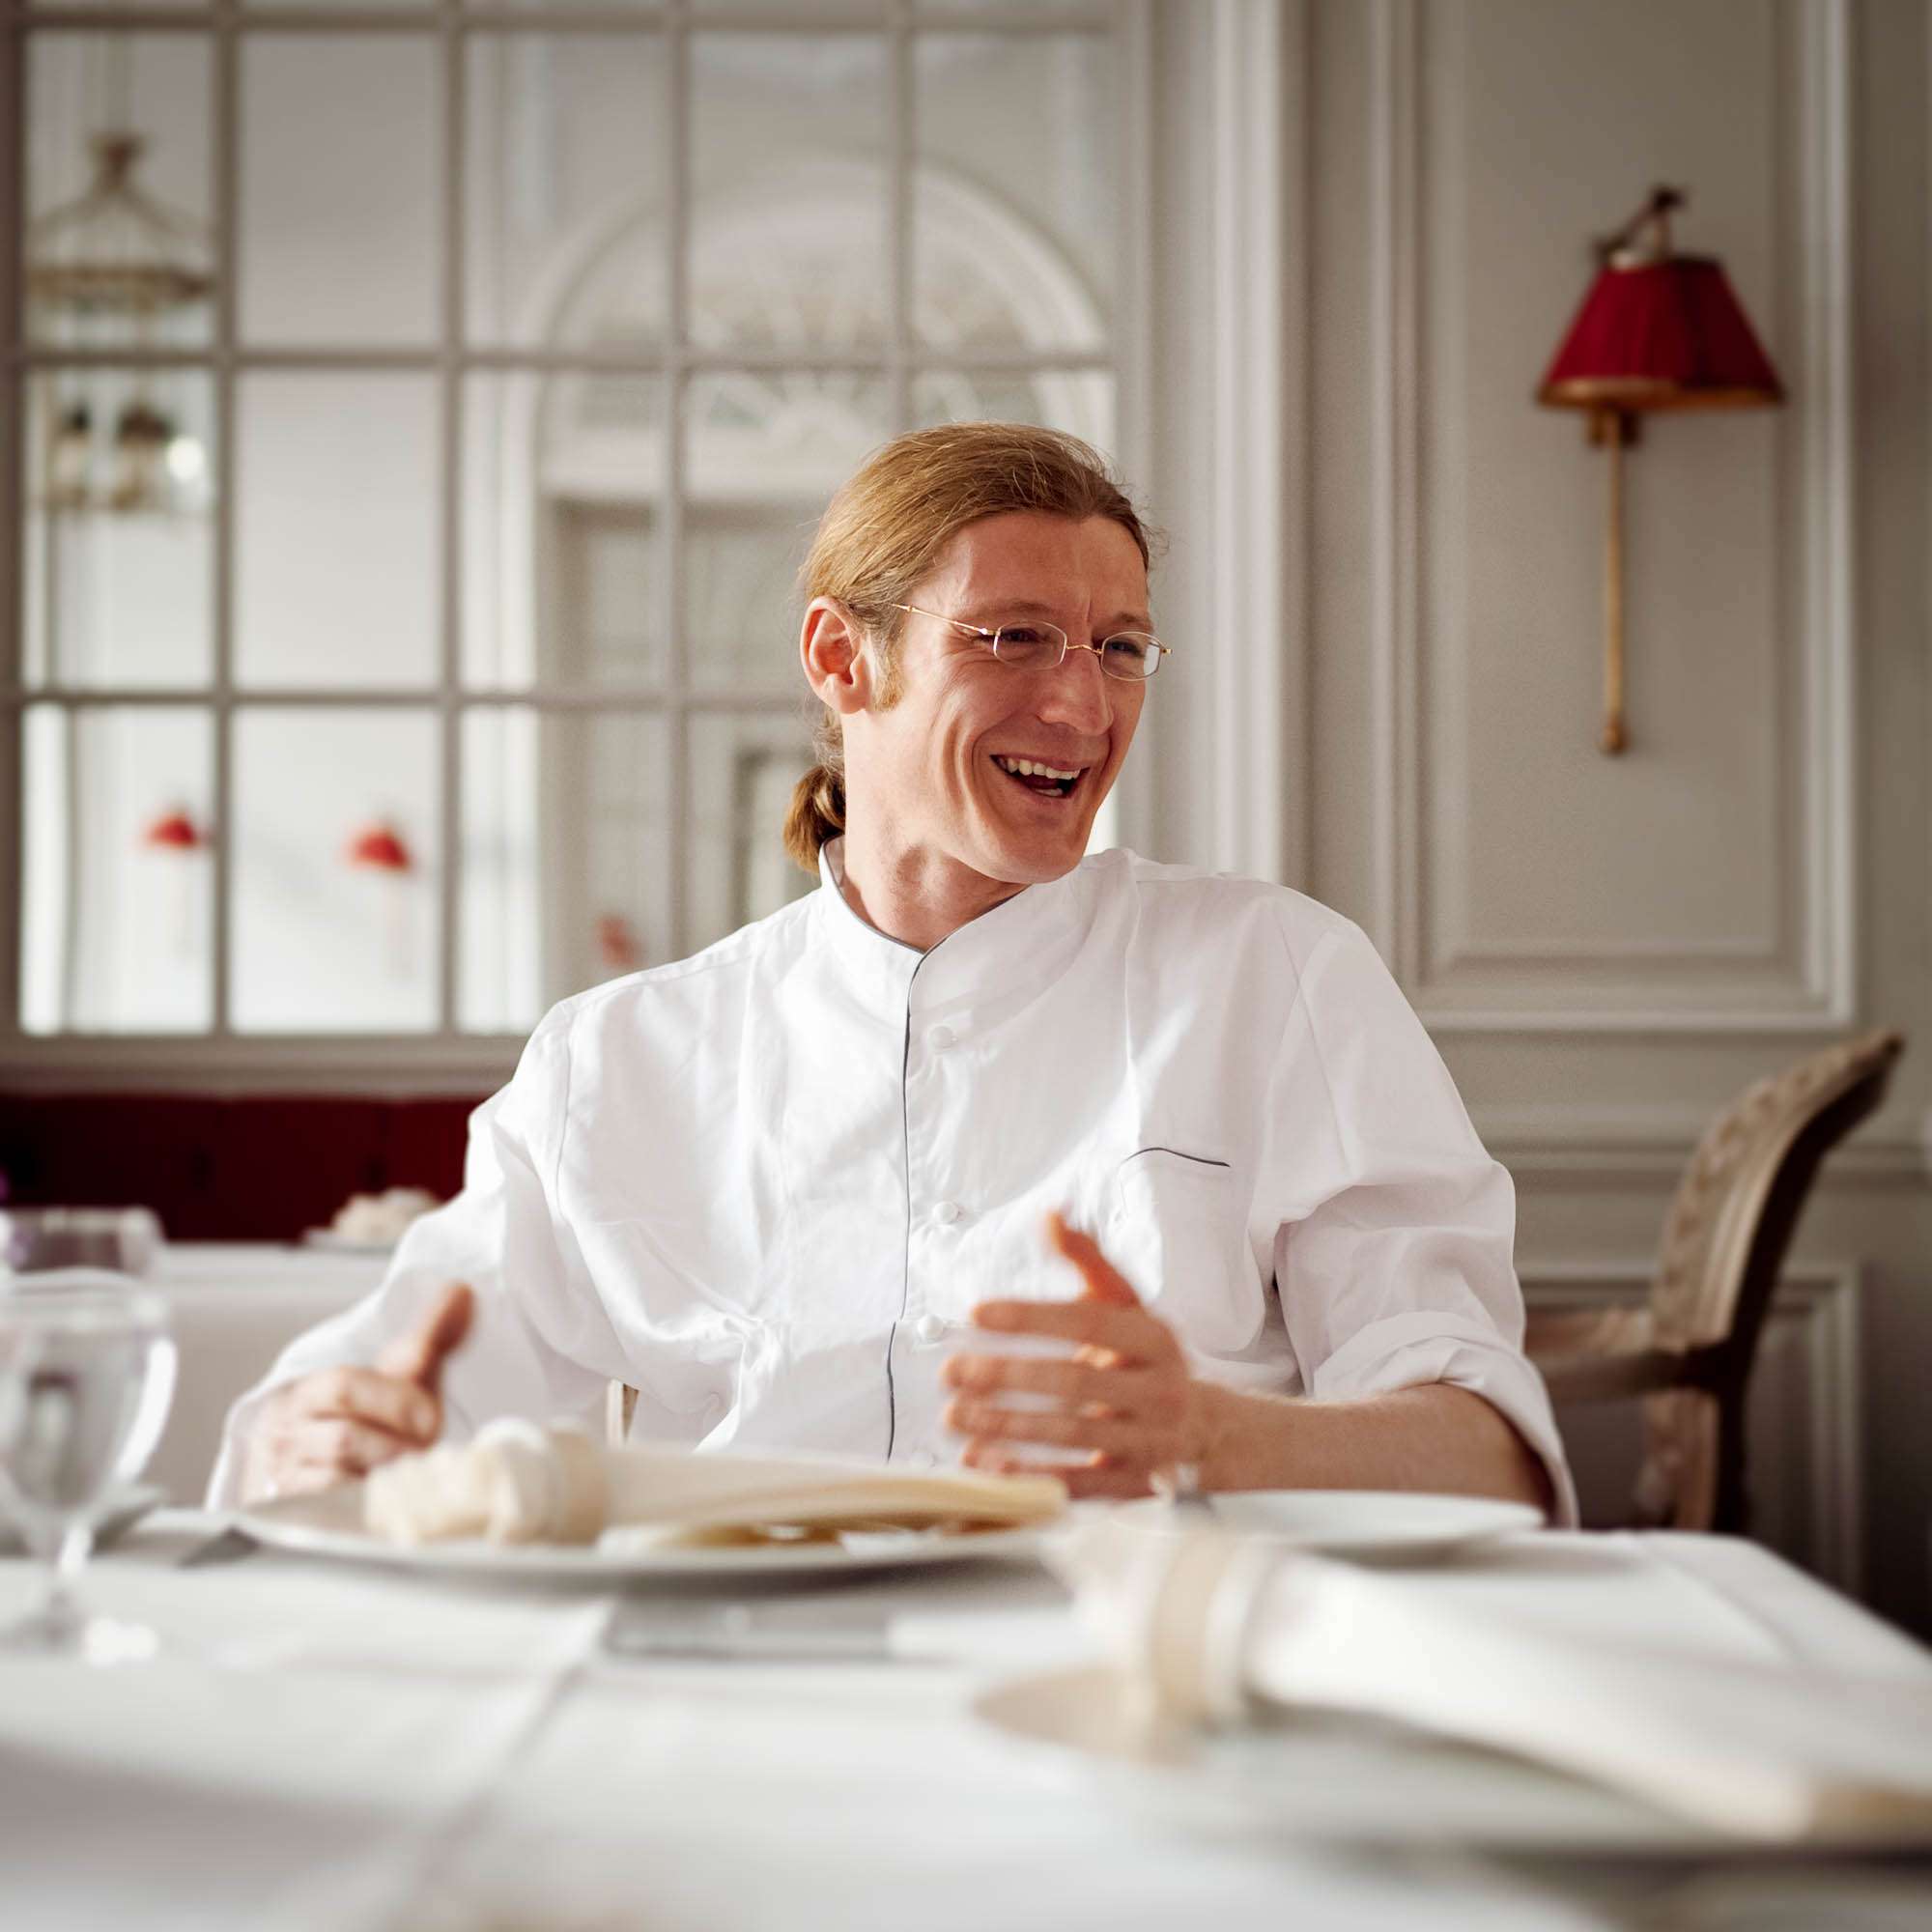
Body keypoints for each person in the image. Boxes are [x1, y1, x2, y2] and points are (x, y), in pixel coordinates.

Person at [214, 423, 1573, 1521]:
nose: (1084, 706)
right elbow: (381, 1389)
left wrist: (1220, 1436)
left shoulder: (1276, 978)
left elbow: (1494, 1455)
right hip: (728, 1712)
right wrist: (313, 1432)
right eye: (1013, 636)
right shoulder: (619, 1059)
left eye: (1118, 647)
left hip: (1136, 1691)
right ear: (839, 657)